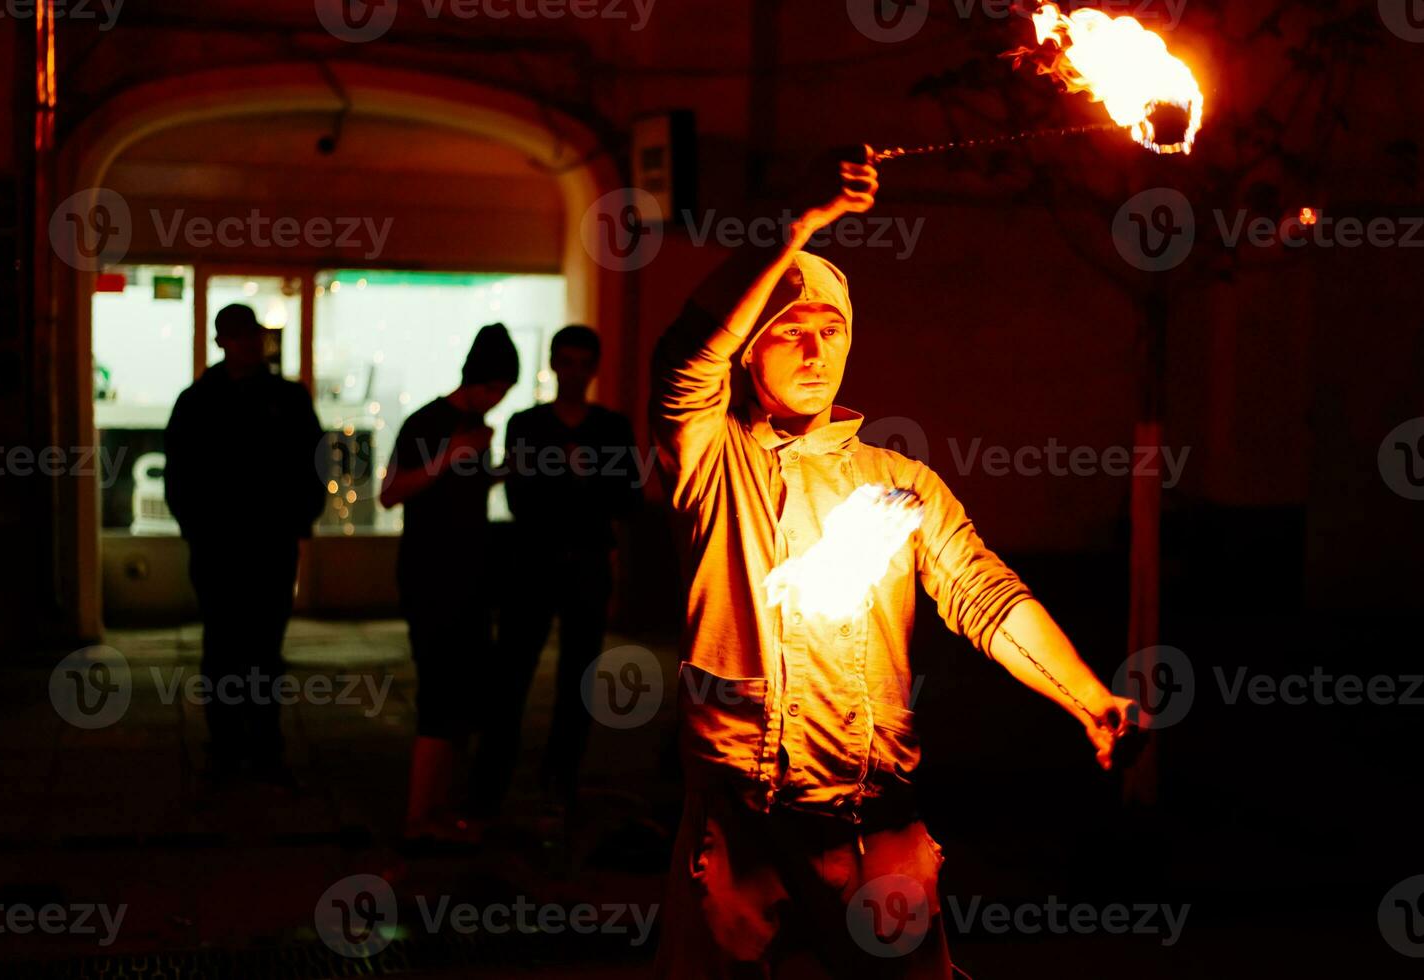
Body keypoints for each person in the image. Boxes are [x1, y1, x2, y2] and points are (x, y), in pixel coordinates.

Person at [648, 149, 1139, 978]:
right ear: (749, 351)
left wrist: (1088, 698)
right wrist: (798, 224)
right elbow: (684, 353)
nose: (814, 351)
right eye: (788, 332)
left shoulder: (899, 482)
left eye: (831, 331)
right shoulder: (709, 460)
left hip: (878, 825)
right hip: (744, 824)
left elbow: (984, 593)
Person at [475, 325, 643, 819]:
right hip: (533, 563)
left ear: (594, 368)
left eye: (581, 363)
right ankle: (492, 783)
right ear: (552, 364)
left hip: (586, 564)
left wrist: (581, 478)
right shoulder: (527, 424)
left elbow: (628, 497)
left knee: (578, 679)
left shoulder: (611, 428)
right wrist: (573, 481)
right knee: (512, 674)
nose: (572, 372)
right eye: (564, 362)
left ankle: (559, 780)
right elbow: (519, 496)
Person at [164, 303, 326, 784]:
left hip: (260, 542)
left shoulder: (252, 399)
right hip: (227, 544)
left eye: (251, 335)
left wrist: (299, 520)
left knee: (257, 644)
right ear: (223, 341)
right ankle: (237, 741)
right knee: (230, 644)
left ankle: (252, 740)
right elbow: (180, 475)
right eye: (240, 336)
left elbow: (313, 465)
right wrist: (197, 526)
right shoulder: (203, 401)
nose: (249, 344)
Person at [381, 323, 518, 846]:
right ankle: (419, 817)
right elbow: (392, 492)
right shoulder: (430, 422)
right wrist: (449, 457)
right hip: (432, 577)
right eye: (498, 388)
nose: (499, 399)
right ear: (481, 380)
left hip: (469, 577)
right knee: (440, 693)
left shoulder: (477, 427)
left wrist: (499, 469)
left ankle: (439, 810)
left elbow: (466, 490)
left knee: (461, 695)